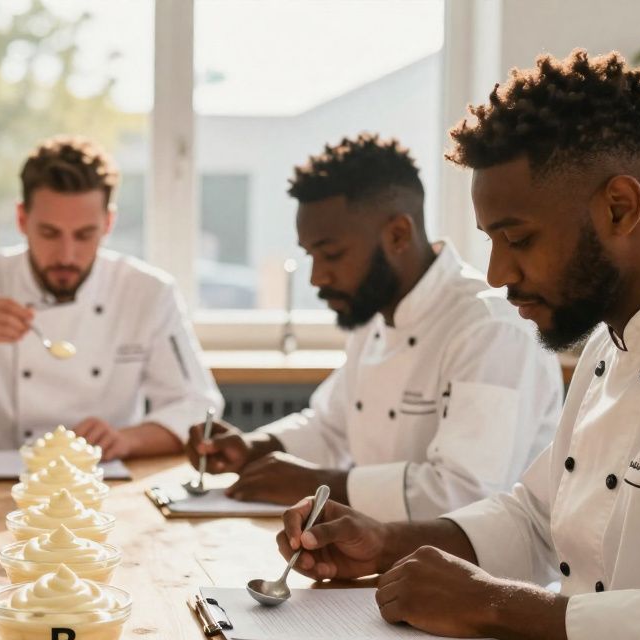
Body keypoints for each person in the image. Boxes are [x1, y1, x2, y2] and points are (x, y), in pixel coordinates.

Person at [276, 50, 640, 640]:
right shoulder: (606, 338)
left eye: (518, 238)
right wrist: (385, 541)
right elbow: (537, 517)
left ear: (619, 207)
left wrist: (491, 604)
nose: (499, 273)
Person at [186, 134, 562, 519]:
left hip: (475, 574)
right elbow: (331, 427)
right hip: (383, 553)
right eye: (310, 256)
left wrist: (314, 485)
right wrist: (254, 448)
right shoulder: (374, 314)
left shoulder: (491, 330)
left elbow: (464, 493)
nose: (317, 277)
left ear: (398, 233)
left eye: (331, 254)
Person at [0, 135, 222, 458]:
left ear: (108, 223)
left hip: (100, 481)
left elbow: (197, 405)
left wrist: (128, 439)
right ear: (22, 219)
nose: (67, 255)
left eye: (85, 234)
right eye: (50, 233)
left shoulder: (147, 292)